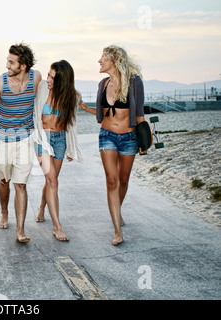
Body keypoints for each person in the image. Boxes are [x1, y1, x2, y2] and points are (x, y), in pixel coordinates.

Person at [80, 45, 145, 246]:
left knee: (123, 181)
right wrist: (83, 107)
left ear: (114, 60)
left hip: (129, 137)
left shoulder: (134, 82)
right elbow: (102, 114)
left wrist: (144, 141)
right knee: (111, 181)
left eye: (103, 58)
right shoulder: (103, 83)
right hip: (107, 135)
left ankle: (118, 210)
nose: (99, 61)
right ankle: (117, 230)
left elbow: (140, 113)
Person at [0, 43, 42, 243]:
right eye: (7, 61)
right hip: (3, 139)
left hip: (25, 139)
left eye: (12, 62)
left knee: (20, 184)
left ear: (24, 65)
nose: (7, 65)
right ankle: (4, 212)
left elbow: (42, 101)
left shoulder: (36, 78)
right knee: (4, 180)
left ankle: (20, 230)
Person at [32, 60, 83, 241]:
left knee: (51, 179)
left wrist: (71, 148)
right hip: (42, 138)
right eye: (48, 75)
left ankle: (41, 207)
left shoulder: (73, 97)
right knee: (52, 180)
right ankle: (57, 227)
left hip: (59, 140)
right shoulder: (41, 89)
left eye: (53, 77)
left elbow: (72, 124)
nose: (48, 80)